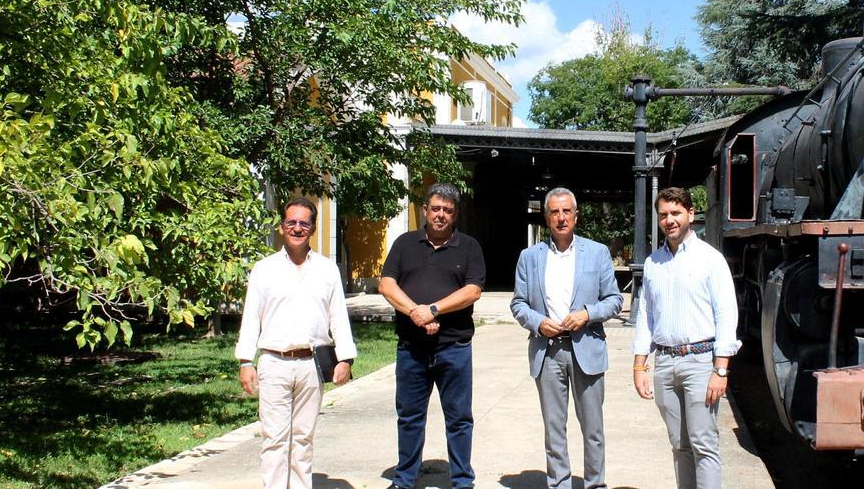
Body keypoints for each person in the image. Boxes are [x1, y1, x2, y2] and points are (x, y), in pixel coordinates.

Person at [236, 197, 356, 489]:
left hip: (310, 365)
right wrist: (245, 361)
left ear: (313, 228)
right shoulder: (264, 269)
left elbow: (338, 315)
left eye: (304, 223)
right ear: (282, 226)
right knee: (275, 438)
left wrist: (345, 359)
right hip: (273, 363)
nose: (297, 228)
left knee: (303, 437)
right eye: (291, 222)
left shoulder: (327, 270)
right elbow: (251, 317)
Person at [510, 188, 623, 489]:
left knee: (593, 429)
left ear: (576, 215)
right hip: (547, 352)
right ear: (546, 217)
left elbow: (614, 300)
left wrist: (587, 313)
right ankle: (558, 483)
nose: (561, 218)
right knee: (554, 429)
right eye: (554, 212)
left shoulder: (597, 252)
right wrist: (538, 322)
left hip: (586, 349)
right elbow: (518, 304)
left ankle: (595, 484)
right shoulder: (529, 257)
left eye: (566, 211)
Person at [631, 187, 741, 489]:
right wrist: (640, 365)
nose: (669, 220)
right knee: (679, 446)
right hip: (665, 363)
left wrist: (721, 370)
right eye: (663, 214)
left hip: (700, 363)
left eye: (676, 213)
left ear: (691, 214)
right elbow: (646, 317)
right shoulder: (654, 263)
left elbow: (726, 316)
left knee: (703, 444)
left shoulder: (711, 259)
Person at [379, 183, 485, 489]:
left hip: (454, 348)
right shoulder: (404, 244)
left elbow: (473, 290)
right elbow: (387, 285)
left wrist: (434, 310)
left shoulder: (469, 247)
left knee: (459, 419)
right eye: (435, 209)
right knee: (410, 417)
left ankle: (462, 480)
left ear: (456, 215)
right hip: (411, 349)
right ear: (425, 210)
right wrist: (416, 312)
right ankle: (404, 480)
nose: (440, 215)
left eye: (447, 211)